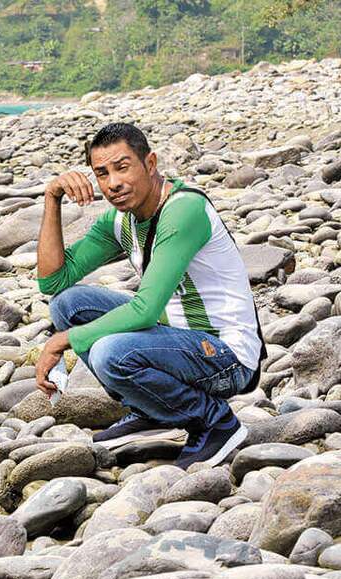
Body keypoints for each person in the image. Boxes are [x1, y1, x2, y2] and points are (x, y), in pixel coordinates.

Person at [34, 122, 264, 469]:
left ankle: (215, 422)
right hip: (177, 340)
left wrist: (59, 342)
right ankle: (153, 409)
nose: (113, 183)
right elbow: (53, 281)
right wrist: (52, 199)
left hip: (227, 355)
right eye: (102, 173)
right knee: (69, 304)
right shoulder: (121, 220)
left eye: (122, 167)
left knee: (111, 353)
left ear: (150, 163)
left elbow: (143, 312)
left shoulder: (183, 210)